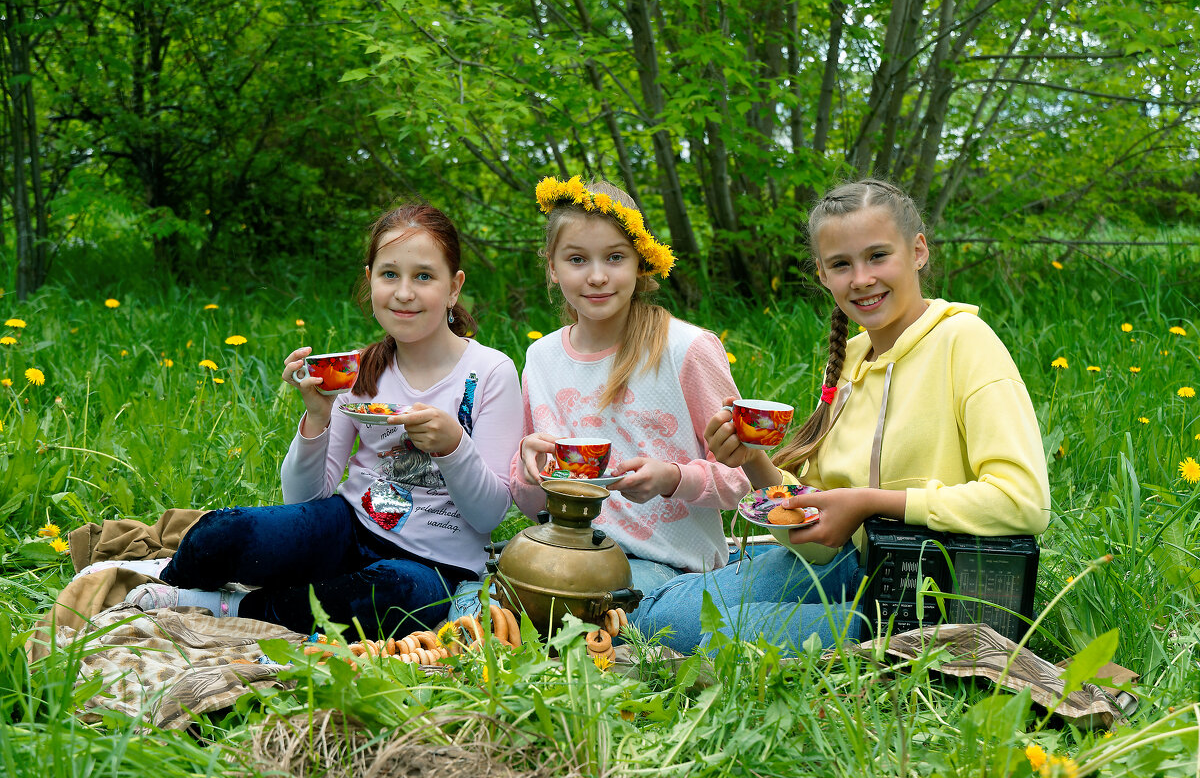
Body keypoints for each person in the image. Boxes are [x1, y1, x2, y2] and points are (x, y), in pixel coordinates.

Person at [633, 178, 1051, 653]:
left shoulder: (965, 342)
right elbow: (816, 523)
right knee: (663, 614)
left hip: (927, 582)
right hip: (844, 565)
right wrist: (751, 459)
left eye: (878, 256)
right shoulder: (850, 359)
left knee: (673, 625)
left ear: (918, 251)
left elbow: (1024, 501)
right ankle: (849, 632)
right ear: (821, 273)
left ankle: (901, 640)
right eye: (840, 264)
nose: (861, 279)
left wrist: (871, 503)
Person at [125, 204, 523, 640]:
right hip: (351, 525)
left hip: (433, 564)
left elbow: (488, 516)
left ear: (454, 288)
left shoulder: (490, 372)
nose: (404, 292)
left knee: (393, 596)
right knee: (223, 532)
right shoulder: (359, 369)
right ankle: (167, 576)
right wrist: (318, 414)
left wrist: (452, 446)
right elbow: (304, 497)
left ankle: (229, 606)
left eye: (424, 276)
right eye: (390, 275)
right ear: (370, 279)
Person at [509, 175, 751, 603]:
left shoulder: (686, 349)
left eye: (615, 257)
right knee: (473, 602)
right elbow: (533, 505)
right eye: (577, 259)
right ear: (552, 266)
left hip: (671, 567)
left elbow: (742, 479)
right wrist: (530, 471)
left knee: (598, 614)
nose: (597, 276)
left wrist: (673, 478)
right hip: (567, 556)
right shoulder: (542, 359)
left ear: (640, 263)